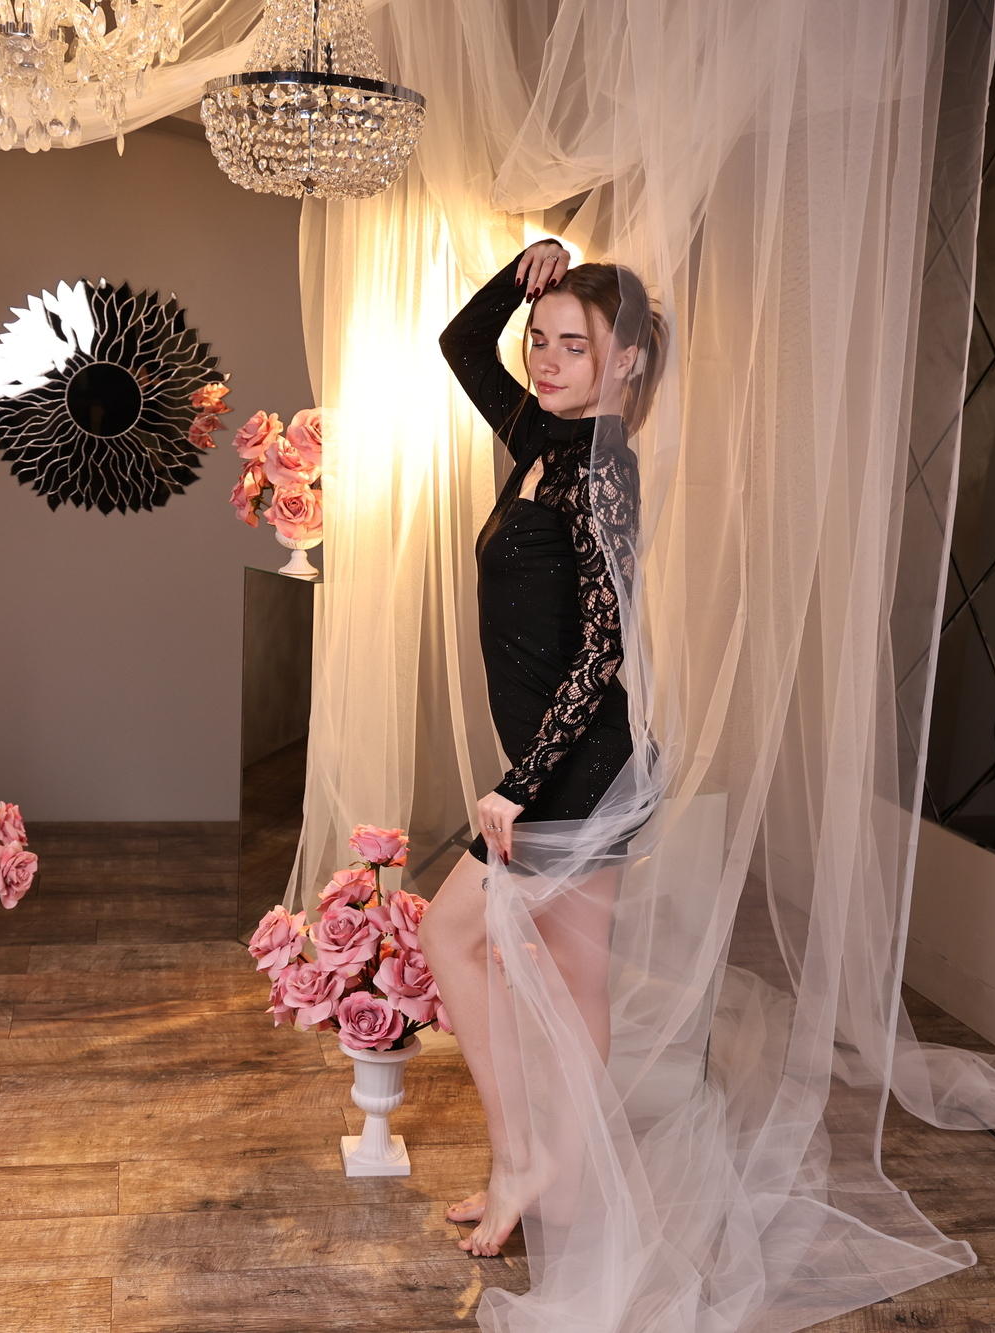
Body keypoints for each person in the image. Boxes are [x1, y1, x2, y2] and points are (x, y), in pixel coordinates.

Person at [416, 237, 668, 1257]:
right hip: (562, 764)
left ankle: (531, 1165)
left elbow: (603, 649)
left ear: (626, 360)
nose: (547, 360)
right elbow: (459, 342)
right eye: (541, 339)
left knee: (460, 938)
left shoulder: (602, 469)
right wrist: (528, 264)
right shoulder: (538, 438)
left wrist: (519, 784)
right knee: (568, 974)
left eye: (576, 344)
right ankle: (546, 1178)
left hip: (580, 765)